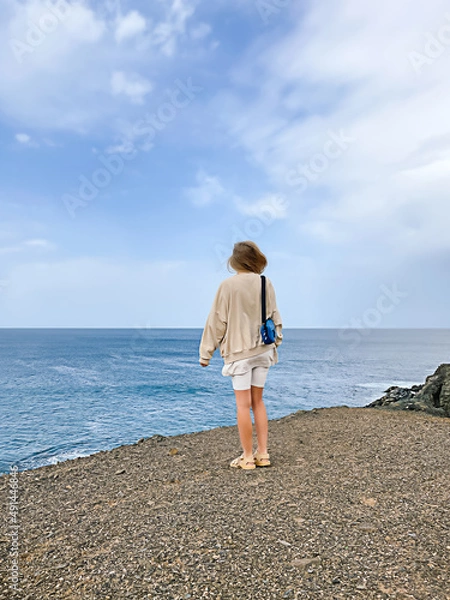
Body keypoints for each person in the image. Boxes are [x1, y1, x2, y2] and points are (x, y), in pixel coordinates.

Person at [199, 241, 283, 470]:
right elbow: (275, 317)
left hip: (239, 353)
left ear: (234, 261)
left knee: (242, 405)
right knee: (258, 402)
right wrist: (277, 341)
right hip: (264, 350)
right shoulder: (266, 283)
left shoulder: (228, 285)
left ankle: (247, 457)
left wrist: (206, 352)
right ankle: (263, 454)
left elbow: (217, 320)